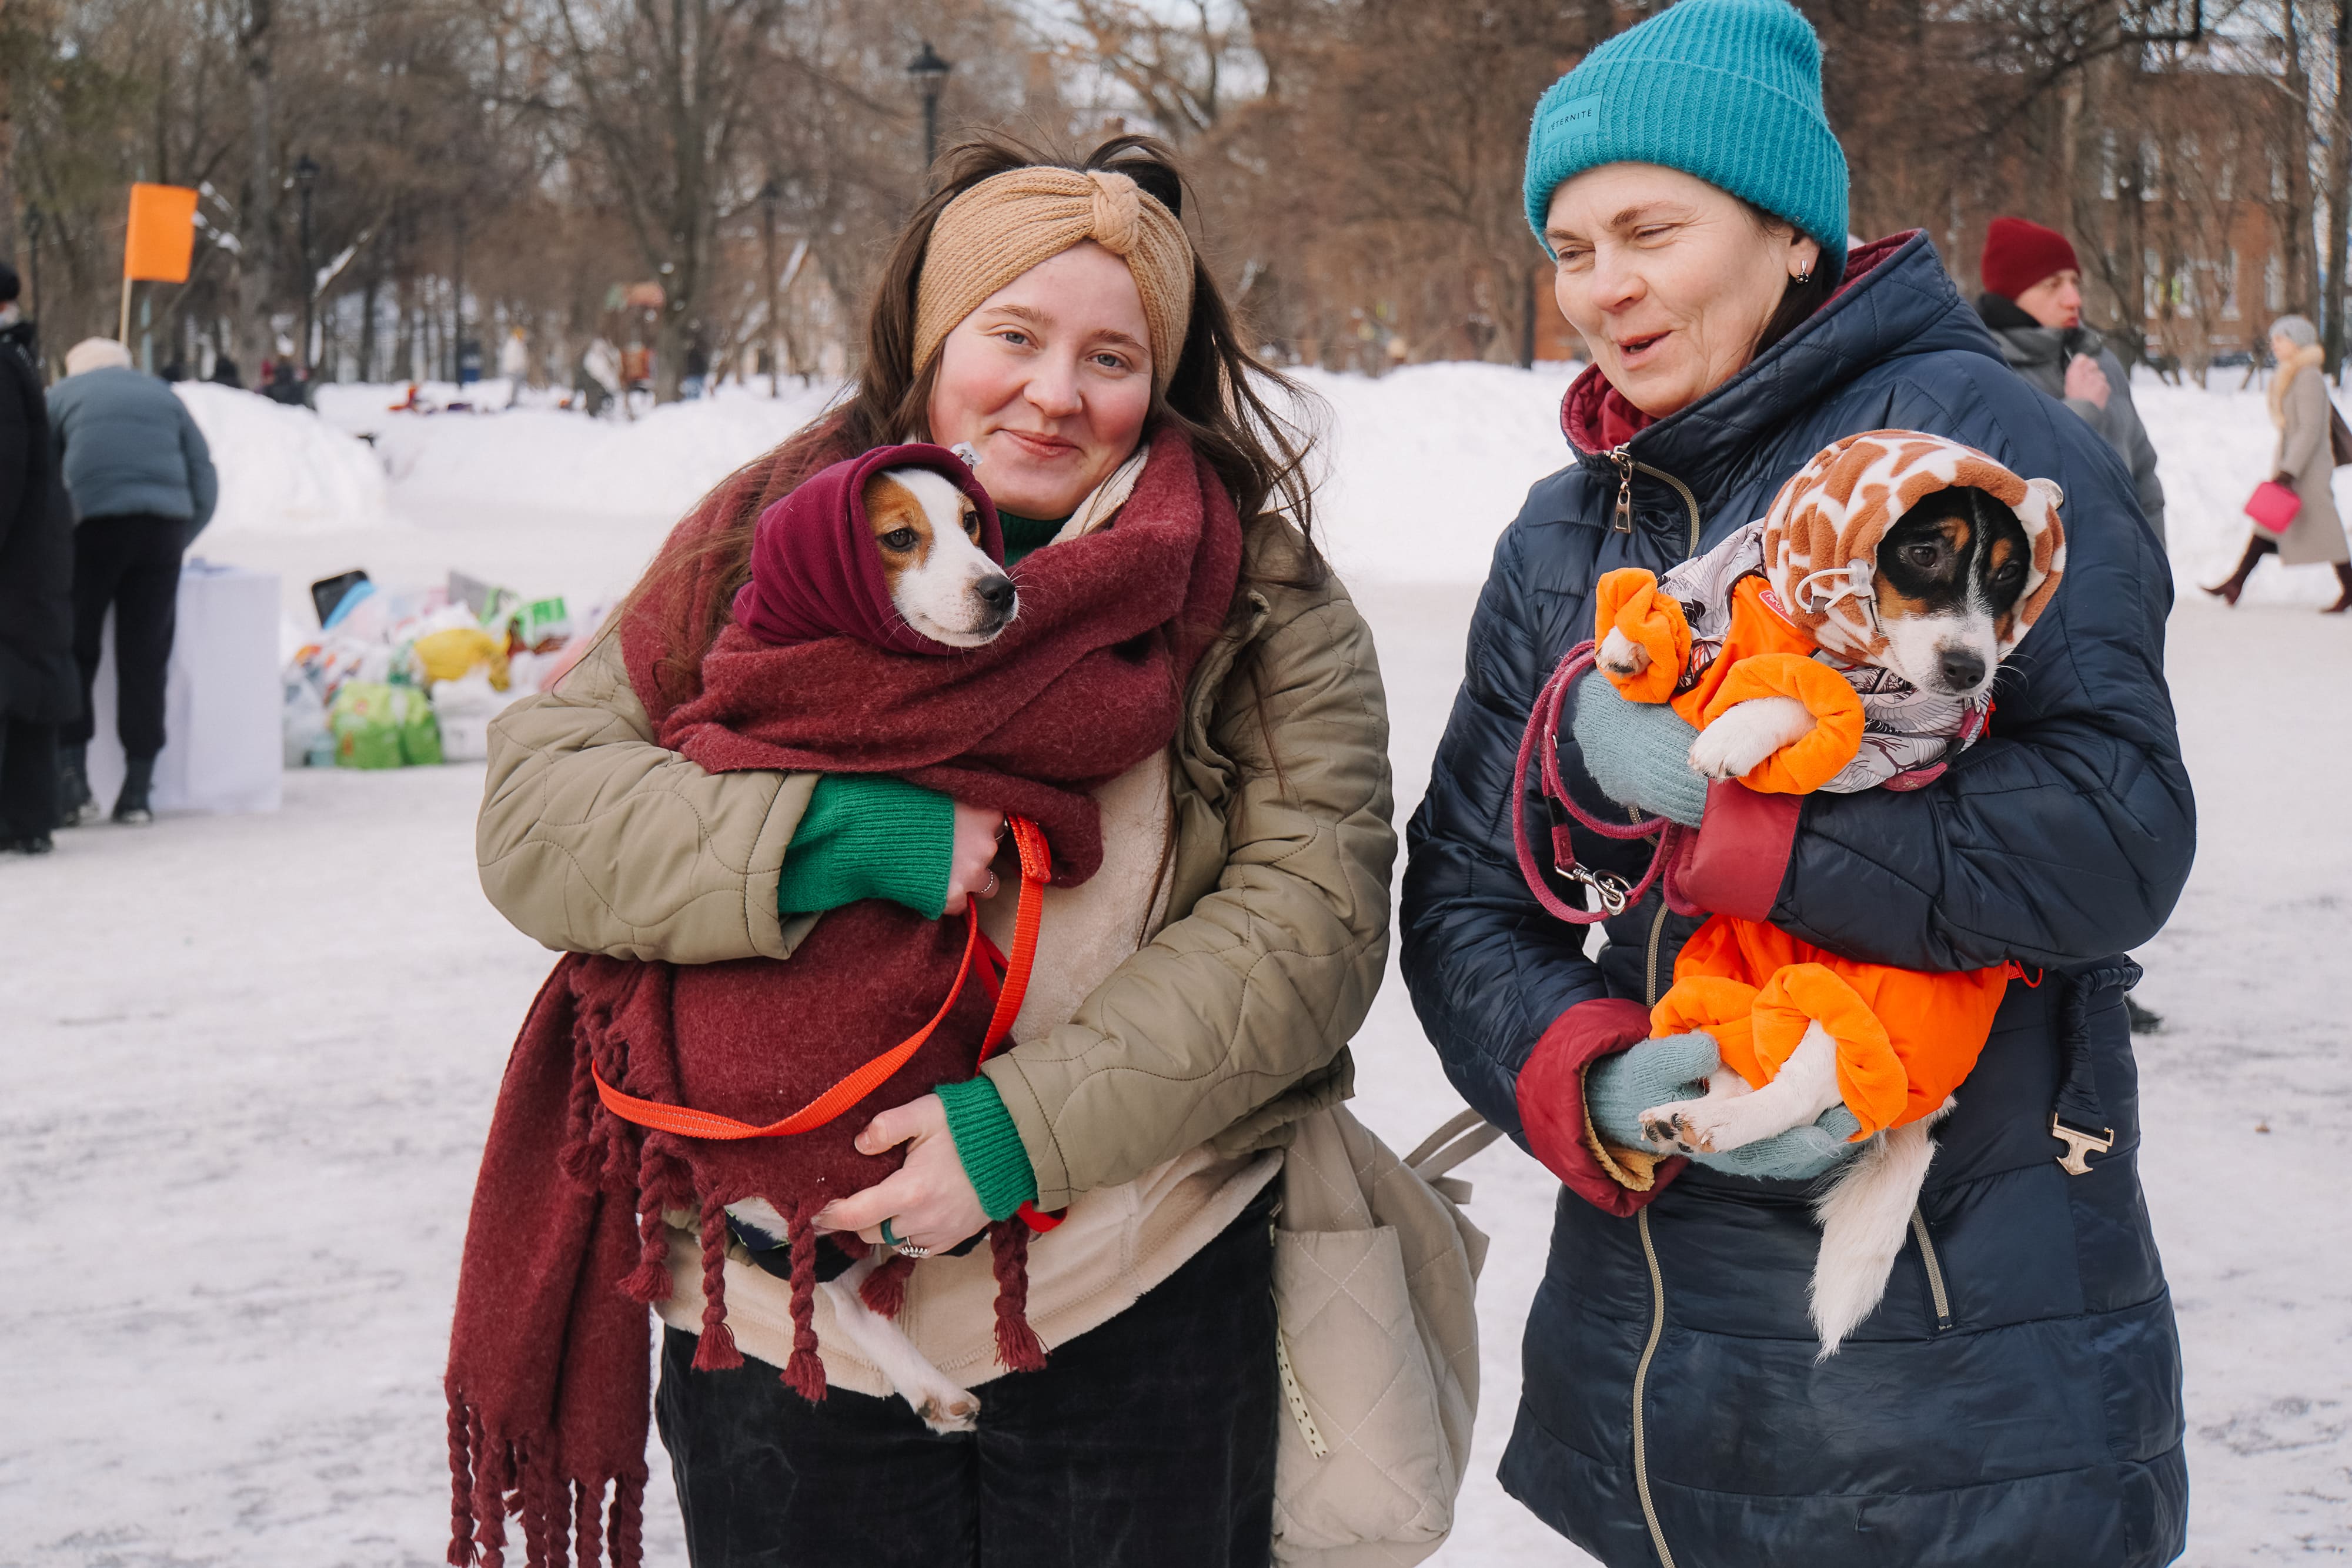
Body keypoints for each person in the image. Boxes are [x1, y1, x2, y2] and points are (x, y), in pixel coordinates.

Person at [468, 132, 1392, 1566]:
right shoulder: (755, 542)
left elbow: (1309, 922)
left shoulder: (1259, 599)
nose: (1053, 392)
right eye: (1012, 336)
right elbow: (539, 819)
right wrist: (838, 835)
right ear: (929, 338)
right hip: (781, 1323)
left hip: (1128, 1287)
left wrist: (1024, 1128)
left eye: (1109, 355)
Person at [1400, 1, 2193, 1563]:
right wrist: (1594, 1078)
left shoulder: (1970, 455)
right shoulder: (1568, 536)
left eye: (1650, 228)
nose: (1604, 287)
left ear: (1786, 233)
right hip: (1648, 1379)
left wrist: (1749, 829)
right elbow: (1462, 899)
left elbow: (2117, 834)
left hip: (1957, 1390)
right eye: (1570, 247)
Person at [1975, 217, 2172, 1032]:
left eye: (2075, 282)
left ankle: (2098, 976)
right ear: (2013, 289)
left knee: (2113, 804)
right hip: (2024, 632)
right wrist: (2081, 416)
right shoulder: (1979, 370)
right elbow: (2011, 497)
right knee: (2037, 805)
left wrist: (2148, 583)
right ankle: (2015, 979)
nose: (2072, 295)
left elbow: (2143, 480)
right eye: (2054, 282)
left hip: (2108, 618)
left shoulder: (2098, 362)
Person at [46, 338, 218, 826]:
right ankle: (138, 791)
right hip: (161, 527)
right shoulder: (164, 397)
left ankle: (72, 779)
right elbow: (203, 477)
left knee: (74, 648)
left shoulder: (62, 395)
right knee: (145, 657)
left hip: (90, 527)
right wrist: (180, 536)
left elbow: (43, 477)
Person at [0, 264, 76, 854]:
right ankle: (28, 818)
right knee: (26, 682)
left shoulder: (4, 368)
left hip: (18, 560)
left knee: (18, 684)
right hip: (31, 555)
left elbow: (6, 468)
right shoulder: (16, 360)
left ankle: (25, 818)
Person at [2205, 313, 2352, 613]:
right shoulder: (2295, 375)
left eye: (2280, 340)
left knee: (2327, 530)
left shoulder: (2308, 377)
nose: (2274, 345)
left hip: (2307, 471)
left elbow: (2311, 430)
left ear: (2297, 343)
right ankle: (2236, 582)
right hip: (2296, 467)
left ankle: (2350, 587)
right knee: (2268, 522)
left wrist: (2289, 471)